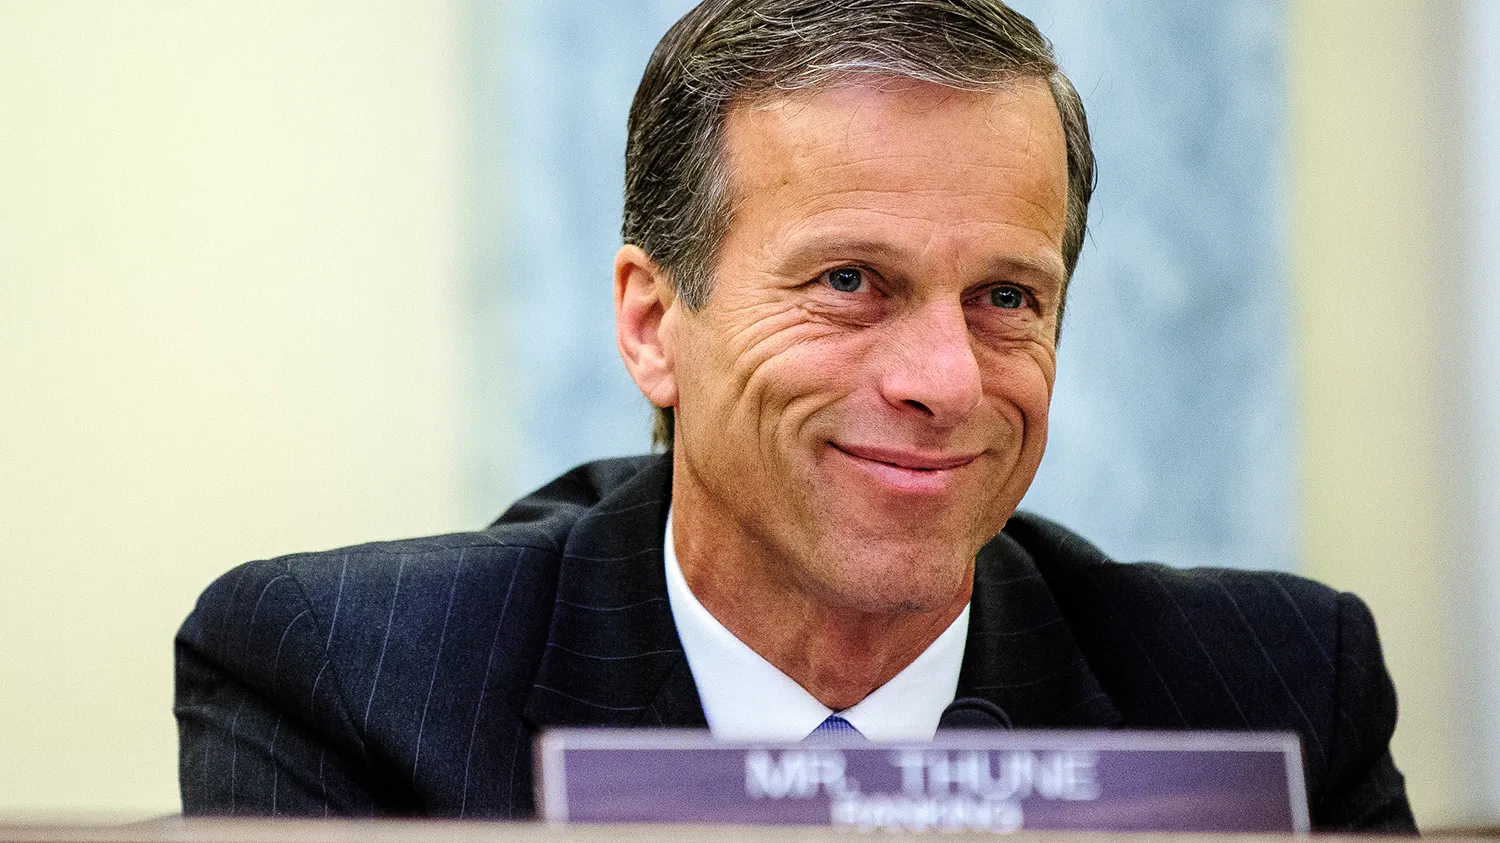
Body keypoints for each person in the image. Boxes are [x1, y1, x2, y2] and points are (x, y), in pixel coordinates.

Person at [174, 0, 1416, 831]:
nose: (947, 380)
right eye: (847, 283)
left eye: (1004, 297)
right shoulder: (351, 682)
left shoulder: (1280, 694)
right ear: (654, 325)